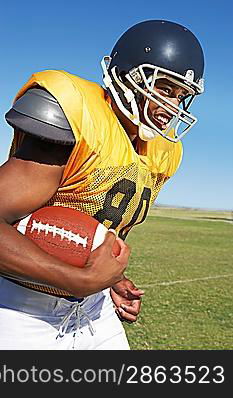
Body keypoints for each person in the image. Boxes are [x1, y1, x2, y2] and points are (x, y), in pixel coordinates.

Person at [0, 19, 205, 350]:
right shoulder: (78, 116)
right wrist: (80, 279)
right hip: (22, 311)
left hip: (95, 311)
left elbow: (88, 230)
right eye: (165, 89)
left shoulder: (161, 150)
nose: (173, 107)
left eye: (182, 96)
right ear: (128, 77)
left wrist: (109, 279)